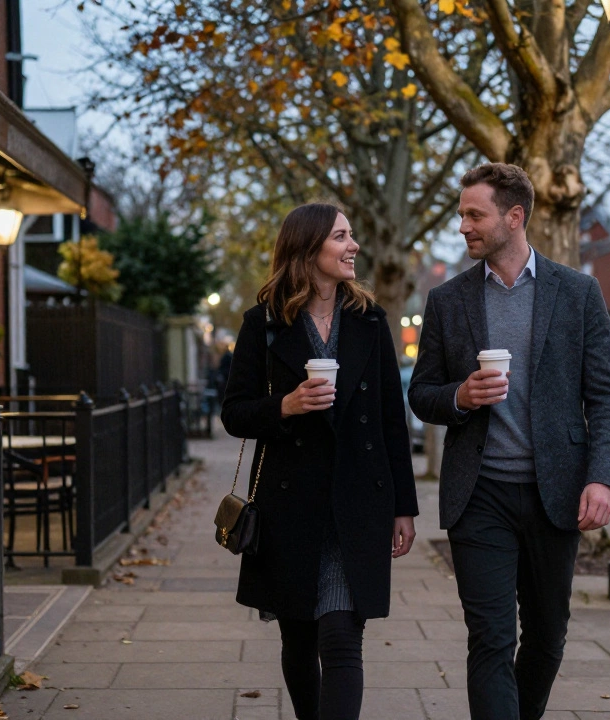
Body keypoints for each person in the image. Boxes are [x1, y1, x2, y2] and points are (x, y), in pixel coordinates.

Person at [408, 163, 610, 720]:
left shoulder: (576, 293)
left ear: (514, 216)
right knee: (490, 639)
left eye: (474, 214)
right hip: (478, 494)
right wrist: (461, 396)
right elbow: (422, 394)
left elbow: (607, 396)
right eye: (461, 214)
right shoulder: (447, 301)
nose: (463, 226)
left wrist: (602, 478)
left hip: (556, 495)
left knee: (548, 637)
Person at [221, 203, 419, 720]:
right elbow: (235, 413)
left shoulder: (370, 322)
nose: (353, 246)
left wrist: (404, 506)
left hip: (358, 502)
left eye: (352, 235)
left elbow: (390, 420)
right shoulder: (263, 325)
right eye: (341, 236)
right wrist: (284, 406)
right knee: (299, 638)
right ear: (308, 249)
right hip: (291, 508)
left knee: (341, 637)